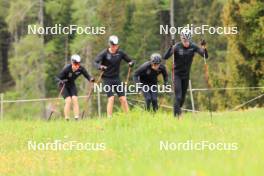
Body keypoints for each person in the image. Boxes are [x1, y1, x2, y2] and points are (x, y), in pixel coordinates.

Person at [163, 28, 208, 118]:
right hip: (177, 75)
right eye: (184, 40)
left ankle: (178, 111)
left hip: (186, 75)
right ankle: (177, 117)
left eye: (187, 40)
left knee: (182, 98)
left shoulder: (193, 46)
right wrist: (171, 47)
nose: (186, 42)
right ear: (181, 38)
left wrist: (203, 47)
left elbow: (205, 56)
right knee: (178, 96)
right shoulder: (177, 46)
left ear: (190, 39)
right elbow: (165, 57)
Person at [94, 35, 134, 117]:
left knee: (123, 98)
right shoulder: (105, 53)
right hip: (107, 79)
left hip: (116, 78)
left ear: (118, 45)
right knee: (111, 98)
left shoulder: (120, 53)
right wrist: (100, 67)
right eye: (112, 45)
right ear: (109, 44)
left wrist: (131, 63)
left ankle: (128, 116)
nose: (114, 47)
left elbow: (130, 60)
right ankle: (109, 117)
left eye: (116, 46)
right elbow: (95, 62)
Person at [56, 54, 94, 121]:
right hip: (63, 85)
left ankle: (76, 118)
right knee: (68, 100)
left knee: (75, 99)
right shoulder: (67, 68)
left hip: (71, 84)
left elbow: (87, 76)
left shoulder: (80, 68)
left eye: (78, 64)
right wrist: (60, 81)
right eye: (75, 64)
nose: (77, 66)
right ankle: (67, 119)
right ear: (72, 62)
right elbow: (57, 78)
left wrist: (91, 79)